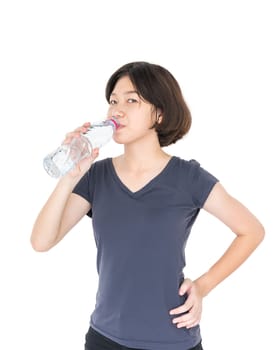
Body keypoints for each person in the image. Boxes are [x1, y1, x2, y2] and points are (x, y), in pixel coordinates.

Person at [31, 61, 265, 350]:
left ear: (160, 114)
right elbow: (42, 241)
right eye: (113, 101)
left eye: (132, 100)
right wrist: (69, 175)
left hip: (173, 339)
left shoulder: (189, 178)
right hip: (104, 339)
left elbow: (252, 231)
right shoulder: (96, 177)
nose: (117, 109)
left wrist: (203, 286)